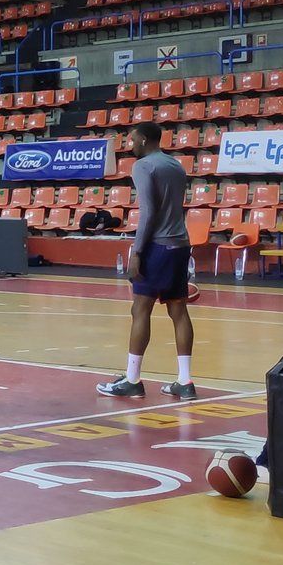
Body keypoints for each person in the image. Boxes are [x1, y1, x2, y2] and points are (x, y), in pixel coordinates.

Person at [100, 122, 199, 400]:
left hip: (157, 245)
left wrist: (138, 251)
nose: (130, 144)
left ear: (143, 140)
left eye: (133, 140)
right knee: (179, 312)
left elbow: (149, 212)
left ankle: (132, 380)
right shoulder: (176, 165)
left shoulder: (143, 166)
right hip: (181, 244)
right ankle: (185, 381)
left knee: (140, 310)